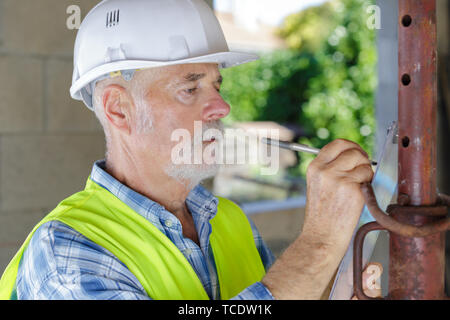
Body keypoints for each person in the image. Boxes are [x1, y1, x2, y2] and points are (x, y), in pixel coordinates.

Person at [0, 0, 378, 300]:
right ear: (119, 109)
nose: (222, 108)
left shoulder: (228, 221)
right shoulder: (66, 251)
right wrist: (319, 244)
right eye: (190, 89)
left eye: (217, 86)